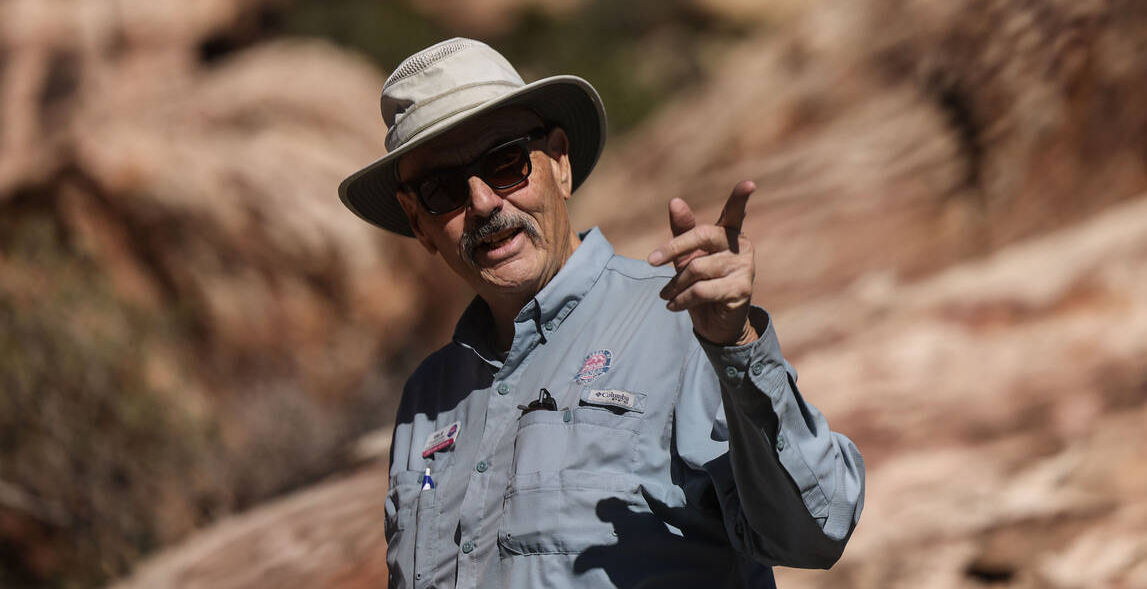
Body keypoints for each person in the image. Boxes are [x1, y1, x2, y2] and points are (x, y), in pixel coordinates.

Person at [339, 38, 865, 589]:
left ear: (559, 163)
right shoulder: (428, 397)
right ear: (418, 222)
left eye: (504, 163)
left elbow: (817, 532)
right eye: (441, 189)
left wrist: (738, 349)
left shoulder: (686, 325)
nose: (484, 203)